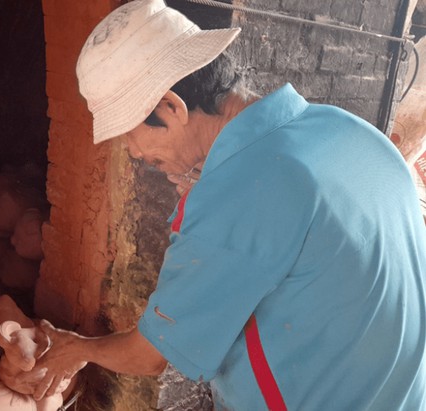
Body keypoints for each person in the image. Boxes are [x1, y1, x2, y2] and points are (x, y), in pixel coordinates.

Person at [31, 0, 426, 410]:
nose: (133, 152)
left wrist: (78, 349)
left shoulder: (238, 195)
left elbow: (150, 355)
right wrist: (221, 187)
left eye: (129, 134)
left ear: (171, 107)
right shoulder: (347, 129)